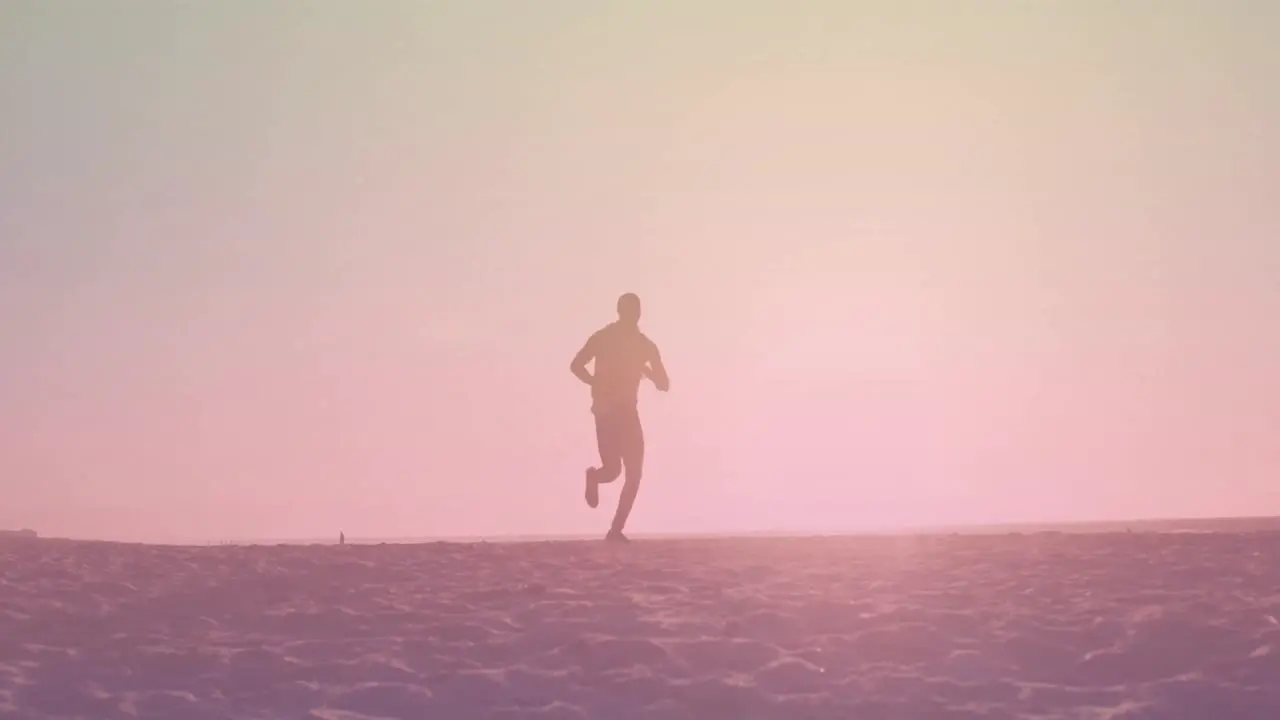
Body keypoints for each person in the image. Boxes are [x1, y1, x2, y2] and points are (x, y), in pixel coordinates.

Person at [569, 293, 669, 542]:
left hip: (617, 413)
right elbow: (576, 364)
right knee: (621, 472)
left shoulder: (641, 345)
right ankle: (599, 489)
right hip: (611, 413)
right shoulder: (609, 338)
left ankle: (614, 527)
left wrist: (644, 369)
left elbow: (663, 384)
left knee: (625, 472)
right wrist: (595, 383)